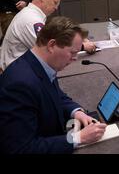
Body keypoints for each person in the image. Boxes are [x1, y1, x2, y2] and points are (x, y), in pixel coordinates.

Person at [0, 16, 107, 154]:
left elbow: (55, 95)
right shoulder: (19, 85)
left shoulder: (39, 64)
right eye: (72, 52)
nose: (75, 58)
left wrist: (76, 112)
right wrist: (77, 138)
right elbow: (22, 149)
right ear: (51, 45)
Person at [0, 0, 97, 71]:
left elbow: (52, 36)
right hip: (15, 72)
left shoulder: (31, 13)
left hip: (21, 65)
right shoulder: (31, 19)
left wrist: (76, 39)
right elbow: (48, 49)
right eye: (55, 2)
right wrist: (82, 47)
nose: (56, 8)